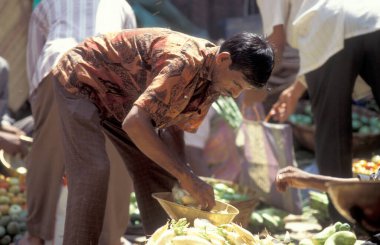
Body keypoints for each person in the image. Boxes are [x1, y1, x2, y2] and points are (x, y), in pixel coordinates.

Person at [50, 28, 274, 244]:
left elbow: (173, 125)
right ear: (223, 59)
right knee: (94, 170)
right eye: (236, 84)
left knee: (158, 173)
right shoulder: (184, 61)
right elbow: (135, 123)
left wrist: (182, 174)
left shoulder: (214, 81)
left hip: (123, 98)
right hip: (82, 76)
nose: (235, 93)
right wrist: (187, 177)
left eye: (242, 90)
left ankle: (163, 242)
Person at [23, 0, 136, 244]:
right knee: (116, 156)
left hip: (58, 63)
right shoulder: (121, 5)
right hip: (110, 71)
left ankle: (37, 235)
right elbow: (131, 55)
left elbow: (33, 60)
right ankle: (110, 237)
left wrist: (43, 110)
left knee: (48, 153)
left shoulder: (46, 5)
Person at [257, 1, 380, 186]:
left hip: (326, 23)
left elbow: (275, 42)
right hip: (373, 17)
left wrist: (254, 87)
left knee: (332, 137)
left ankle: (341, 212)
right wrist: (295, 91)